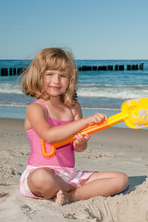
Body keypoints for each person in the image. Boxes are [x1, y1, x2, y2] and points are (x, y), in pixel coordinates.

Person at [19, 47, 129, 205]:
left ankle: (71, 195)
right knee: (41, 178)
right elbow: (49, 135)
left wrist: (81, 142)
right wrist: (84, 122)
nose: (56, 81)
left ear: (70, 80)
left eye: (63, 75)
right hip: (42, 173)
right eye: (49, 74)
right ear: (38, 76)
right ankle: (74, 190)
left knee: (121, 179)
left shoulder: (73, 108)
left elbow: (78, 148)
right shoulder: (35, 108)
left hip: (69, 175)